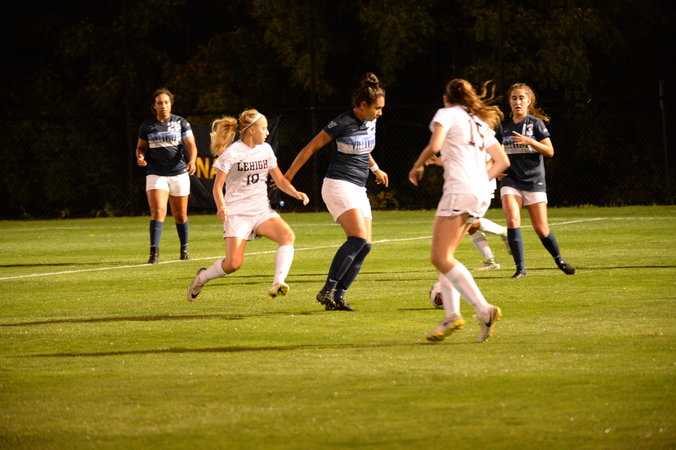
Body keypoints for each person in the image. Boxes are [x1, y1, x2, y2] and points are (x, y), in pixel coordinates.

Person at [409, 78, 510, 343]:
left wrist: (417, 166)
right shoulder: (479, 121)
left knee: (439, 257)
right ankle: (451, 315)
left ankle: (483, 309)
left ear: (446, 98)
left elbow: (434, 146)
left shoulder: (447, 113)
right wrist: (480, 180)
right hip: (480, 193)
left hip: (459, 191)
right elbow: (502, 161)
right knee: (446, 257)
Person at [284, 72, 389, 311]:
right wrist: (287, 177)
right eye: (377, 108)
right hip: (338, 185)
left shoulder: (371, 121)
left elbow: (363, 149)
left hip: (359, 187)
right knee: (358, 238)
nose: (380, 113)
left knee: (366, 245)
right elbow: (310, 147)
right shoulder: (342, 122)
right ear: (363, 105)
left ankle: (338, 296)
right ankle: (327, 291)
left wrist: (375, 169)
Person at [187, 109, 309, 302]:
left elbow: (279, 179)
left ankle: (277, 282)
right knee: (233, 264)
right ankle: (202, 277)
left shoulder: (266, 149)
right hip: (237, 213)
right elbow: (217, 187)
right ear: (251, 130)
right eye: (264, 128)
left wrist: (296, 193)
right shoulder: (232, 153)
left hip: (261, 210)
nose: (267, 132)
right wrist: (221, 207)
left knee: (287, 236)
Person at [497, 83, 576, 278]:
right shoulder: (503, 126)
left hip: (533, 180)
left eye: (521, 98)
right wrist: (494, 170)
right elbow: (494, 151)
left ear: (529, 101)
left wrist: (530, 141)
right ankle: (520, 269)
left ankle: (560, 260)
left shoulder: (536, 124)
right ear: (509, 101)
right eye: (514, 98)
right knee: (512, 219)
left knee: (541, 229)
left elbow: (550, 151)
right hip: (511, 180)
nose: (517, 101)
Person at [136, 88, 197, 264]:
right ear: (154, 106)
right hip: (156, 174)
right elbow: (141, 147)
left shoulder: (181, 122)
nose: (163, 105)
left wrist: (192, 161)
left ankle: (184, 249)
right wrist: (140, 157)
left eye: (166, 102)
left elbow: (191, 145)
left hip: (179, 173)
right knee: (158, 212)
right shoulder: (147, 125)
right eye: (160, 103)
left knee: (180, 215)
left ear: (171, 104)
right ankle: (154, 253)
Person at [426, 152, 510, 270]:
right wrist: (436, 161)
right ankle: (491, 260)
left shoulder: (482, 140)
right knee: (469, 224)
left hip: (478, 187)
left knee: (466, 221)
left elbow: (489, 162)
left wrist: (492, 173)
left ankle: (503, 232)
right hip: (469, 186)